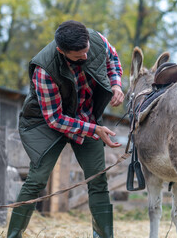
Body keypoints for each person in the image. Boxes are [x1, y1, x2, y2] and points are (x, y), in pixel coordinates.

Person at [7, 20, 124, 238]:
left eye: (86, 51)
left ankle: (104, 236)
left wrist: (116, 83)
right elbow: (55, 119)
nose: (86, 58)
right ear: (62, 51)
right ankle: (13, 235)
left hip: (85, 115)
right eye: (79, 56)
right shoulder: (44, 70)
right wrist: (94, 130)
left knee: (98, 179)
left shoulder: (96, 40)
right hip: (46, 123)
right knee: (37, 180)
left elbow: (113, 60)